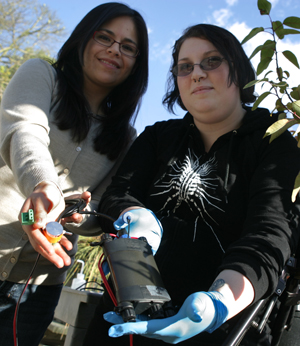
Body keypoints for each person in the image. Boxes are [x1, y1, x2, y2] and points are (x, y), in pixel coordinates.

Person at [83, 24, 300, 346]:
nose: (196, 74)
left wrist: (219, 303)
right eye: (185, 67)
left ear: (238, 69)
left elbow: (270, 231)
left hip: (224, 327)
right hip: (128, 315)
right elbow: (120, 191)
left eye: (211, 61)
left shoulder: (275, 139)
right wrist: (134, 214)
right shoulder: (158, 136)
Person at [0, 2, 149, 346]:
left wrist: (79, 215)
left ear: (135, 66)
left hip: (35, 293)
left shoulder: (126, 138)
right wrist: (43, 184)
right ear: (84, 38)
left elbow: (103, 206)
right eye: (105, 37)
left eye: (128, 47)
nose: (115, 50)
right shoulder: (42, 75)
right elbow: (25, 130)